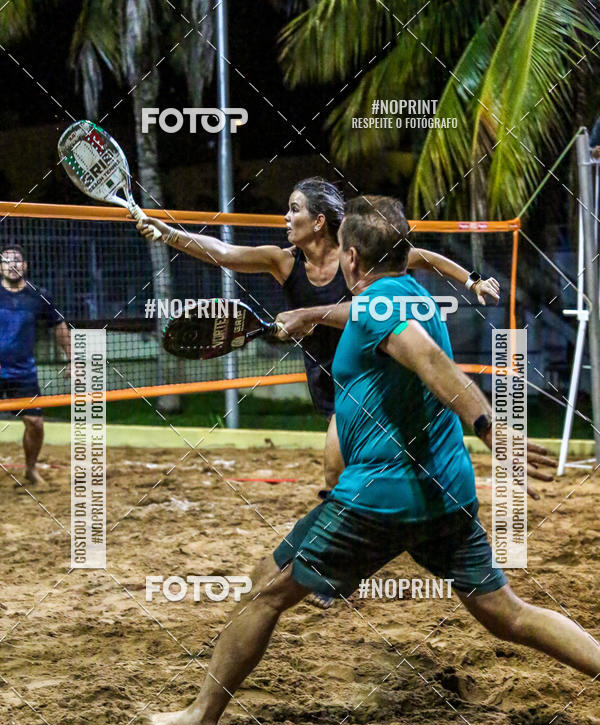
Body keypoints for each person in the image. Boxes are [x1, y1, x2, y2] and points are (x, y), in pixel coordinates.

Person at [142, 195, 600, 725]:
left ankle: (200, 715)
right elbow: (372, 316)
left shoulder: (381, 310)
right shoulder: (408, 292)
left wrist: (490, 426)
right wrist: (313, 313)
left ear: (352, 259)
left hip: (380, 496)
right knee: (507, 613)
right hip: (446, 490)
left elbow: (429, 361)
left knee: (267, 591)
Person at [135, 178, 500, 608]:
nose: (286, 218)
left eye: (294, 209)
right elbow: (222, 252)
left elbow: (425, 258)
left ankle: (337, 569)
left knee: (337, 468)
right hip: (329, 381)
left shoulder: (361, 255)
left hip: (373, 375)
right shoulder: (284, 262)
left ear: (319, 221)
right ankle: (358, 552)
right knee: (349, 470)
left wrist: (472, 279)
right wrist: (167, 231)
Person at [0, 244, 70, 485]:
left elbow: (58, 326)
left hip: (23, 373)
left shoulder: (38, 294)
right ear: (1, 267)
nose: (12, 264)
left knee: (35, 423)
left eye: (16, 260)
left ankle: (30, 470)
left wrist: (72, 359)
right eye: (6, 260)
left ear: (25, 266)